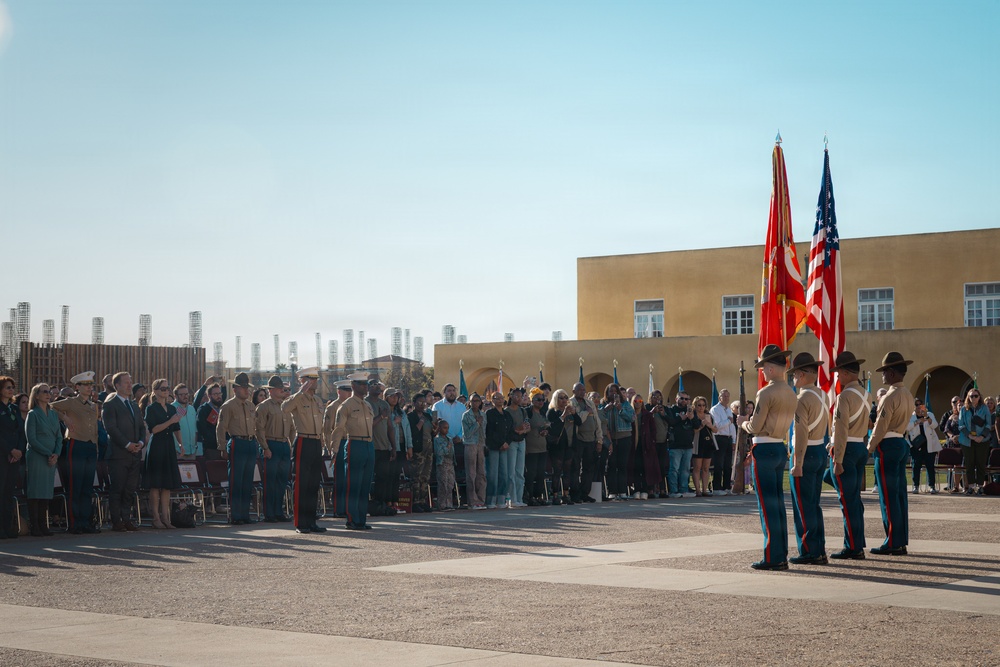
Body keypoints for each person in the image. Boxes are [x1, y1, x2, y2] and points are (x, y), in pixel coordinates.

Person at [738, 344, 796, 571]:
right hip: (779, 447)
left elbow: (755, 425)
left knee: (767, 505)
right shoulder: (791, 392)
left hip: (764, 447)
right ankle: (780, 552)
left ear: (771, 369)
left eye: (764, 367)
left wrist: (742, 422)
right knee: (778, 503)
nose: (762, 371)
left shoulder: (766, 392)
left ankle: (773, 556)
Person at [868, 351, 916, 555]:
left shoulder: (890, 396)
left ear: (893, 373)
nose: (883, 375)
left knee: (887, 496)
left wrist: (869, 448)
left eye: (885, 371)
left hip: (887, 445)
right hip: (900, 442)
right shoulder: (907, 394)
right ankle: (900, 539)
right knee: (898, 495)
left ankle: (892, 541)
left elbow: (880, 426)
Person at [786, 353, 830, 565]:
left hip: (805, 452)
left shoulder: (801, 399)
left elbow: (801, 432)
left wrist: (797, 463)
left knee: (803, 506)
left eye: (794, 375)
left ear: (801, 375)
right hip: (819, 449)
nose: (793, 379)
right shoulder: (823, 395)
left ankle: (809, 551)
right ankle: (818, 548)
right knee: (813, 504)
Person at [828, 352, 870, 560]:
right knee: (853, 499)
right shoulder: (865, 393)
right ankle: (857, 541)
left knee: (847, 501)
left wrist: (838, 460)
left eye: (838, 373)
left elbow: (842, 429)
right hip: (859, 446)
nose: (837, 377)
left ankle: (853, 546)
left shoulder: (845, 396)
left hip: (847, 449)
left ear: (845, 373)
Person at [50, 371, 101, 534]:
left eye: (90, 384)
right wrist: (65, 418)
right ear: (77, 387)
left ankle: (85, 522)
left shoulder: (94, 406)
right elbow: (51, 407)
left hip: (91, 446)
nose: (89, 387)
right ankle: (74, 523)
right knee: (75, 485)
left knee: (87, 487)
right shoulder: (71, 402)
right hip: (76, 444)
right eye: (85, 385)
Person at [282, 367, 326, 533]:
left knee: (314, 484)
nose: (314, 382)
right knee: (301, 483)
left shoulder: (317, 401)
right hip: (303, 440)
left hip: (315, 442)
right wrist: (300, 392)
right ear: (302, 381)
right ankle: (300, 523)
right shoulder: (297, 398)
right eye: (310, 379)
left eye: (315, 379)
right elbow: (284, 408)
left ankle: (311, 521)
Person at [102, 372, 146, 532]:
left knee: (130, 489)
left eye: (130, 381)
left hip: (135, 453)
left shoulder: (134, 404)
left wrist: (140, 442)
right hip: (119, 454)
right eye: (126, 382)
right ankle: (116, 521)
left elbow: (141, 427)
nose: (130, 385)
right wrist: (127, 444)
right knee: (117, 489)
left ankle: (126, 519)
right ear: (117, 386)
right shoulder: (110, 404)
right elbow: (111, 428)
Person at [331, 372, 375, 530]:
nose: (366, 387)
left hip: (369, 445)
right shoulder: (346, 405)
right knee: (353, 485)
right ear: (353, 386)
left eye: (366, 384)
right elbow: (338, 429)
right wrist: (334, 449)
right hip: (354, 444)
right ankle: (351, 519)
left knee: (365, 485)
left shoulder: (368, 405)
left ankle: (361, 519)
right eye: (362, 384)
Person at [217, 373, 257, 526]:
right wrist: (222, 447)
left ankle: (245, 514)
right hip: (237, 443)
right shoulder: (228, 406)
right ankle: (235, 515)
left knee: (247, 481)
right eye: (243, 387)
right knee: (236, 481)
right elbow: (221, 428)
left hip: (250, 443)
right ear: (235, 389)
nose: (247, 390)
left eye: (247, 387)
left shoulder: (250, 405)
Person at [144, 379, 183, 529]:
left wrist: (181, 444)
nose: (165, 391)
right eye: (162, 389)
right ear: (155, 391)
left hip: (168, 446)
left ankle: (166, 518)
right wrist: (170, 421)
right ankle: (156, 518)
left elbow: (176, 427)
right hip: (156, 447)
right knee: (156, 485)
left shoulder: (172, 408)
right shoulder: (151, 408)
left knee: (167, 485)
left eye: (167, 388)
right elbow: (153, 429)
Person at [24, 384, 62, 537]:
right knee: (35, 491)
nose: (48, 394)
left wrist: (56, 454)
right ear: (36, 395)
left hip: (52, 458)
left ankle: (43, 524)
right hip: (37, 456)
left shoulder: (53, 414)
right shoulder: (32, 414)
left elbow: (59, 436)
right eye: (44, 392)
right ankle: (35, 525)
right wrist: (48, 453)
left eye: (49, 392)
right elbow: (31, 439)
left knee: (46, 491)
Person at [255, 376, 291, 523]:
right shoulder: (264, 407)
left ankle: (278, 511)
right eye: (279, 388)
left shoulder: (286, 406)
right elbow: (259, 429)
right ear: (271, 390)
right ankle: (269, 513)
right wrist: (265, 447)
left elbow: (292, 427)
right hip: (271, 444)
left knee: (281, 481)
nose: (282, 390)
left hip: (284, 444)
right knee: (270, 482)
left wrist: (291, 443)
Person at [600, 384, 635, 501]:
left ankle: (622, 491)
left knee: (622, 465)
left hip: (624, 437)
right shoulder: (603, 405)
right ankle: (612, 491)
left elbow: (632, 418)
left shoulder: (625, 405)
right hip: (610, 440)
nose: (613, 394)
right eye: (611, 391)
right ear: (607, 393)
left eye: (615, 391)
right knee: (611, 465)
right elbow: (598, 418)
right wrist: (605, 410)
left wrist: (620, 409)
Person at [367, 380, 397, 516]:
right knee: (368, 478)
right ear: (367, 388)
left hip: (384, 448)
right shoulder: (365, 403)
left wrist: (394, 447)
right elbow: (368, 425)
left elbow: (390, 427)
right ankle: (370, 505)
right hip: (371, 447)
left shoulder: (384, 404)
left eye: (378, 385)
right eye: (373, 386)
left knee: (383, 478)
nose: (377, 388)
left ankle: (381, 505)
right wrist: (381, 416)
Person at [323, 380, 353, 517]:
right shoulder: (333, 407)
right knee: (340, 478)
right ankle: (338, 509)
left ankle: (347, 508)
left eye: (350, 390)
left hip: (350, 442)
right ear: (339, 391)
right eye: (346, 390)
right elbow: (327, 430)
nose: (349, 393)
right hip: (339, 444)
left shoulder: (352, 405)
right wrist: (331, 448)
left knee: (349, 478)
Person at [0, 377, 25, 538]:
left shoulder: (14, 409)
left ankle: (7, 527)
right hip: (2, 455)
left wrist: (19, 451)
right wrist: (10, 450)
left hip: (14, 458)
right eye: (7, 387)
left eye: (12, 387)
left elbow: (21, 432)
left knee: (9, 492)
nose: (11, 390)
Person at [569, 383, 601, 503]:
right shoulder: (571, 403)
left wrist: (599, 440)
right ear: (574, 391)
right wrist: (586, 412)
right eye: (580, 390)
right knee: (575, 468)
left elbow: (596, 421)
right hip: (578, 440)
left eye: (584, 390)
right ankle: (575, 494)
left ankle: (585, 493)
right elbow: (578, 420)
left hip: (591, 440)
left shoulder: (589, 403)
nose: (583, 392)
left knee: (588, 468)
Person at [959, 388, 992, 495]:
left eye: (975, 396)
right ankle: (971, 486)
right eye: (971, 396)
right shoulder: (964, 409)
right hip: (967, 440)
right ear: (968, 397)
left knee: (980, 463)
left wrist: (981, 437)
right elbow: (961, 425)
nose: (973, 398)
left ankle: (980, 486)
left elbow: (988, 424)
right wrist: (970, 436)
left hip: (982, 440)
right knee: (970, 463)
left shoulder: (984, 408)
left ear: (979, 397)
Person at [665, 392, 698, 498]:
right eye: (682, 398)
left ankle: (684, 489)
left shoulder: (691, 411)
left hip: (688, 445)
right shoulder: (671, 410)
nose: (684, 400)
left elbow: (697, 425)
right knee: (674, 469)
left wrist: (692, 417)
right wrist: (682, 418)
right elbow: (671, 422)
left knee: (685, 469)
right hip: (675, 445)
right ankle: (673, 491)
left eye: (686, 399)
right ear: (676, 399)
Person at [546, 389, 575, 505]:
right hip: (557, 445)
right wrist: (563, 416)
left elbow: (578, 422)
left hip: (569, 444)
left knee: (567, 471)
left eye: (565, 397)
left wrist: (574, 413)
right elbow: (553, 428)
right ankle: (555, 495)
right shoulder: (552, 412)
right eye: (561, 398)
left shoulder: (571, 411)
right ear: (556, 399)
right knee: (557, 471)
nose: (564, 400)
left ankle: (566, 495)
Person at [385, 388, 412, 513]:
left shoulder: (401, 412)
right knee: (388, 476)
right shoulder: (384, 411)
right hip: (390, 448)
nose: (395, 398)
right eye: (391, 396)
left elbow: (407, 430)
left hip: (401, 447)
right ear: (385, 397)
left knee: (397, 476)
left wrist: (409, 447)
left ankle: (395, 503)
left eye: (396, 396)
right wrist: (394, 422)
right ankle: (388, 503)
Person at [407, 392, 435, 513]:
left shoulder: (427, 416)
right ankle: (415, 502)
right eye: (419, 402)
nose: (422, 404)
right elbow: (412, 432)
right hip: (418, 449)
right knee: (416, 476)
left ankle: (423, 501)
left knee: (425, 476)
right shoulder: (411, 416)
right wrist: (421, 422)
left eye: (424, 402)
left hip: (428, 449)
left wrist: (436, 427)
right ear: (414, 403)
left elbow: (432, 433)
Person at [484, 391, 511, 509]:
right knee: (492, 474)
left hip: (505, 447)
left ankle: (501, 499)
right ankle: (490, 499)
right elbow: (489, 432)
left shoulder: (507, 414)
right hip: (493, 447)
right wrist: (500, 443)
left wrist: (507, 442)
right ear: (492, 400)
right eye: (497, 398)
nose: (500, 400)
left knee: (504, 474)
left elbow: (510, 430)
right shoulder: (489, 413)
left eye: (502, 398)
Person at [524, 388, 550, 506]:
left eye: (542, 400)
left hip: (542, 447)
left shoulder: (543, 412)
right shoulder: (527, 412)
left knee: (540, 473)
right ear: (532, 400)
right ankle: (529, 496)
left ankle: (538, 496)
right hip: (531, 448)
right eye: (538, 399)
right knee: (531, 473)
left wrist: (546, 431)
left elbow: (546, 426)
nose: (541, 402)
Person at [908, 398, 940, 494]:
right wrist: (917, 422)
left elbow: (935, 425)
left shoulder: (929, 414)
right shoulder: (911, 416)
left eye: (920, 404)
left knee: (930, 465)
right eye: (916, 404)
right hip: (916, 445)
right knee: (916, 465)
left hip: (928, 444)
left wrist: (926, 417)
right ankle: (916, 486)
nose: (918, 406)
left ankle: (931, 486)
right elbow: (906, 427)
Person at [461, 393, 488, 509]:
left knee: (481, 473)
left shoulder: (483, 414)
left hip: (481, 444)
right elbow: (467, 433)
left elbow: (484, 431)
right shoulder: (466, 415)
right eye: (473, 401)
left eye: (477, 400)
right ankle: (472, 500)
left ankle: (481, 499)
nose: (475, 403)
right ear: (469, 402)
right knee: (471, 474)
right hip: (470, 444)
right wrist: (477, 423)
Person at [504, 387, 530, 507]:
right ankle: (512, 498)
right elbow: (507, 429)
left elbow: (527, 426)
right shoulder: (507, 411)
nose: (519, 399)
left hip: (522, 441)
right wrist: (517, 430)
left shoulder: (523, 411)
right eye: (517, 396)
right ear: (510, 396)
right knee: (511, 472)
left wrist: (523, 430)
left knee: (520, 471)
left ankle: (519, 498)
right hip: (512, 442)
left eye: (521, 396)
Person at [709, 388, 736, 496]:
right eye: (724, 396)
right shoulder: (715, 409)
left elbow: (732, 426)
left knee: (727, 464)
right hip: (719, 438)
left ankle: (726, 486)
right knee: (719, 464)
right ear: (719, 397)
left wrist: (734, 440)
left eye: (728, 396)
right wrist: (728, 421)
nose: (726, 398)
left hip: (728, 438)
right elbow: (717, 426)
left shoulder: (729, 409)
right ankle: (716, 487)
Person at [690, 396, 717, 497]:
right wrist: (702, 424)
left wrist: (709, 424)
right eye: (699, 405)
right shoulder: (693, 416)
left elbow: (715, 430)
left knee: (706, 468)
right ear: (695, 406)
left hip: (708, 443)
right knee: (697, 467)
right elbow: (694, 430)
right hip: (697, 443)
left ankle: (705, 490)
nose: (701, 407)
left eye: (703, 405)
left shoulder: (709, 415)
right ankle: (698, 490)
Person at [647, 391, 670, 498]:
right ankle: (650, 489)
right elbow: (644, 419)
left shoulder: (664, 409)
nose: (657, 399)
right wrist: (652, 412)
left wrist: (663, 414)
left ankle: (662, 489)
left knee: (662, 467)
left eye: (659, 397)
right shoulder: (647, 408)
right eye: (654, 397)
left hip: (663, 442)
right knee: (651, 466)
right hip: (651, 442)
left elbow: (672, 421)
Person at [197, 383, 226, 461]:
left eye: (220, 393)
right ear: (209, 396)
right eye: (215, 394)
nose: (219, 396)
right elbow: (203, 429)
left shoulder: (223, 408)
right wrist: (214, 441)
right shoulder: (204, 409)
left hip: (224, 447)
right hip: (211, 448)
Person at [171, 384, 200, 460]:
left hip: (192, 451)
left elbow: (195, 429)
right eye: (181, 394)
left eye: (186, 394)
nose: (185, 396)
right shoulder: (171, 408)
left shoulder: (191, 409)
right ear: (175, 396)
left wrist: (195, 445)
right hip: (178, 452)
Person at [434, 421, 456, 510]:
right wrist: (447, 448)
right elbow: (439, 452)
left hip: (450, 463)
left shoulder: (449, 439)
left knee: (450, 484)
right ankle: (442, 504)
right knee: (443, 484)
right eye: (444, 428)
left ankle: (449, 504)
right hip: (442, 463)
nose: (446, 430)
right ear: (439, 428)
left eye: (447, 428)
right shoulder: (437, 439)